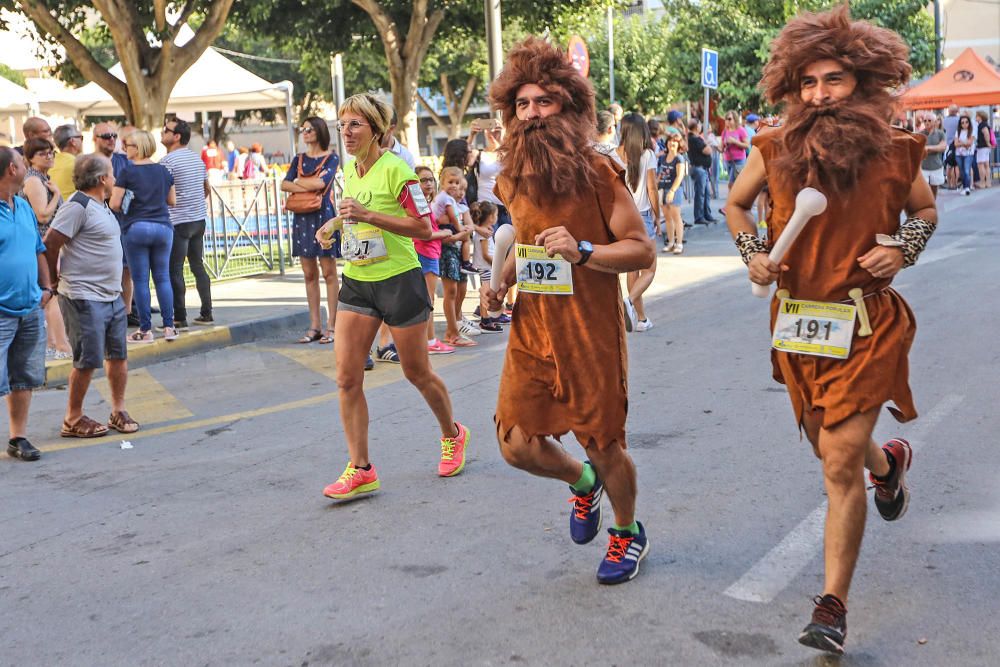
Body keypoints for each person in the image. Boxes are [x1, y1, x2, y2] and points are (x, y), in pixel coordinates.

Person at [726, 5, 938, 654]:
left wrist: (904, 247)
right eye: (808, 83)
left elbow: (925, 210)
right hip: (798, 329)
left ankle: (832, 604)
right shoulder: (773, 150)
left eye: (834, 81)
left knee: (838, 461)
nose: (819, 95)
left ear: (863, 83)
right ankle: (890, 463)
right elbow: (736, 206)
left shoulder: (898, 151)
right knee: (832, 447)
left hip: (868, 327)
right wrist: (751, 250)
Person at [482, 37, 655, 585]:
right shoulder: (512, 175)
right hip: (533, 328)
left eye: (544, 103)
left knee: (604, 444)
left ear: (569, 107)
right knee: (515, 443)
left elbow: (641, 249)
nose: (531, 114)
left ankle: (628, 533)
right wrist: (503, 280)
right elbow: (529, 240)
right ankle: (583, 484)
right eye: (523, 105)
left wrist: (583, 250)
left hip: (590, 332)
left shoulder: (598, 172)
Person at [314, 93, 469, 498]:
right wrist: (335, 224)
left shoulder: (397, 170)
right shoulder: (351, 169)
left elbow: (422, 226)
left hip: (400, 281)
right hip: (359, 280)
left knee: (416, 372)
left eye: (355, 125)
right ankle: (361, 467)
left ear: (377, 130)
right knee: (347, 378)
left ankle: (452, 433)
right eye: (342, 125)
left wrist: (367, 216)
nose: (346, 133)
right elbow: (358, 213)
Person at [43, 154, 138, 438]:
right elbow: (50, 242)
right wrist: (52, 279)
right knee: (86, 360)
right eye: (111, 174)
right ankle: (72, 418)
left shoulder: (102, 206)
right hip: (84, 297)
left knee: (118, 356)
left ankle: (117, 410)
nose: (115, 178)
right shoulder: (78, 206)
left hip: (110, 296)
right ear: (102, 179)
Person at [0, 146, 51, 461]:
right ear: (11, 170)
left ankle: (18, 438)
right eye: (21, 162)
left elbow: (38, 248)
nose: (25, 166)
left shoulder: (22, 205)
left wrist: (47, 287)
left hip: (30, 306)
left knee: (23, 376)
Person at [111, 130, 177, 343]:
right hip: (163, 228)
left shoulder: (127, 173)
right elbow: (172, 201)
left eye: (127, 144)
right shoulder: (164, 171)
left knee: (140, 280)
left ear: (137, 148)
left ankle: (146, 330)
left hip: (136, 227)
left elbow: (114, 204)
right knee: (163, 277)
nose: (123, 148)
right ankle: (169, 327)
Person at [282, 116, 340, 345]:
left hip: (323, 216)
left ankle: (332, 325)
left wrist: (299, 182)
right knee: (308, 273)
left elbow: (321, 184)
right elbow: (284, 184)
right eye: (302, 129)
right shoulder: (299, 159)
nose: (304, 132)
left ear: (319, 131)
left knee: (329, 272)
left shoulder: (331, 157)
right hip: (303, 218)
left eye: (309, 129)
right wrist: (306, 181)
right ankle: (314, 325)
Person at [160, 118, 214, 330]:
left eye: (167, 130)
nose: (163, 133)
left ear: (176, 136)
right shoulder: (197, 159)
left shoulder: (167, 162)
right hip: (198, 219)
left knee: (175, 270)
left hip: (178, 221)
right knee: (197, 265)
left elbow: (165, 193)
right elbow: (206, 188)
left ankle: (179, 318)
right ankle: (207, 312)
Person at [21, 137, 71, 360]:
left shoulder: (42, 178)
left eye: (51, 152)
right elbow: (42, 214)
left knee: (50, 295)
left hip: (48, 242)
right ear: (30, 158)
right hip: (45, 242)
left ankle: (53, 343)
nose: (49, 156)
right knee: (53, 295)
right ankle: (61, 345)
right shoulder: (34, 181)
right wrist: (58, 196)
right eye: (43, 153)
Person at [617, 112, 661, 333]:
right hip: (641, 215)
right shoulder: (648, 155)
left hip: (622, 217)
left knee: (632, 269)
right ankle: (630, 300)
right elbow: (652, 189)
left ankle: (640, 318)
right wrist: (658, 215)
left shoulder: (616, 154)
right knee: (650, 268)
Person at [412, 165, 458, 353]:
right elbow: (424, 233)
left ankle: (427, 340)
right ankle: (430, 342)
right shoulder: (418, 203)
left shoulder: (423, 203)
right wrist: (445, 232)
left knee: (426, 299)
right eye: (423, 180)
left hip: (430, 252)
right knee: (428, 301)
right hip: (426, 252)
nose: (428, 183)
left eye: (431, 179)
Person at [91, 123, 134, 323]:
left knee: (126, 268)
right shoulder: (87, 163)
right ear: (95, 139)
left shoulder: (124, 161)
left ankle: (126, 313)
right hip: (96, 223)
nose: (111, 139)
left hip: (124, 223)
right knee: (102, 268)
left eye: (114, 135)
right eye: (106, 135)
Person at [660, 133, 687, 253]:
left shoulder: (679, 158)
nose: (672, 143)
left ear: (679, 144)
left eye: (675, 141)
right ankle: (670, 242)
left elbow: (680, 176)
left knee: (676, 217)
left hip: (674, 189)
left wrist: (672, 191)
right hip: (662, 188)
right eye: (670, 140)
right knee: (667, 217)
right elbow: (660, 173)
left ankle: (679, 243)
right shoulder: (662, 158)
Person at [687, 119, 717, 225]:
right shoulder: (694, 139)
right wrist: (707, 143)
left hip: (702, 168)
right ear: (696, 127)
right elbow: (707, 150)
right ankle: (699, 216)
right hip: (699, 168)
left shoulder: (695, 138)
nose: (701, 126)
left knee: (706, 193)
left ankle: (706, 214)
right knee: (700, 193)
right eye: (699, 124)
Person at [51, 124, 84, 197]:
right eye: (81, 138)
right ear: (73, 141)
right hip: (73, 206)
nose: (82, 141)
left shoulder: (50, 163)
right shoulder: (80, 164)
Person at [919, 113, 947, 197]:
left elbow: (942, 147)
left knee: (934, 189)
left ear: (934, 122)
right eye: (925, 121)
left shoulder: (940, 133)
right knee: (924, 190)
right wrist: (935, 148)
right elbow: (919, 149)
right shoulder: (920, 134)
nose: (927, 122)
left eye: (929, 120)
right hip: (923, 167)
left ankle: (932, 204)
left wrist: (927, 148)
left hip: (936, 166)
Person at [722, 111, 750, 187]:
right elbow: (722, 148)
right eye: (726, 119)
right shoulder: (725, 131)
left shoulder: (741, 130)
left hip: (738, 161)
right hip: (728, 160)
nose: (727, 121)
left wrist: (735, 141)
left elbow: (747, 145)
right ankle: (739, 198)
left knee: (731, 184)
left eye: (729, 119)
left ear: (735, 119)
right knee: (736, 184)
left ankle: (731, 198)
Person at [954, 114, 976, 195]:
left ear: (969, 123)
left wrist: (961, 143)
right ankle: (964, 187)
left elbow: (970, 143)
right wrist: (964, 143)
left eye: (966, 122)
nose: (964, 124)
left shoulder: (972, 131)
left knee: (967, 170)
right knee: (962, 171)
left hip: (969, 154)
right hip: (958, 154)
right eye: (962, 122)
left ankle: (967, 188)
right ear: (960, 124)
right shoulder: (958, 131)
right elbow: (956, 144)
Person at [975, 110, 992, 189]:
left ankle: (982, 182)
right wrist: (988, 144)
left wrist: (988, 142)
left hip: (982, 147)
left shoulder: (982, 125)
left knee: (981, 165)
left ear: (980, 117)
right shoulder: (986, 124)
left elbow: (986, 133)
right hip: (985, 147)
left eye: (977, 116)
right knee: (986, 165)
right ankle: (988, 182)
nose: (976, 117)